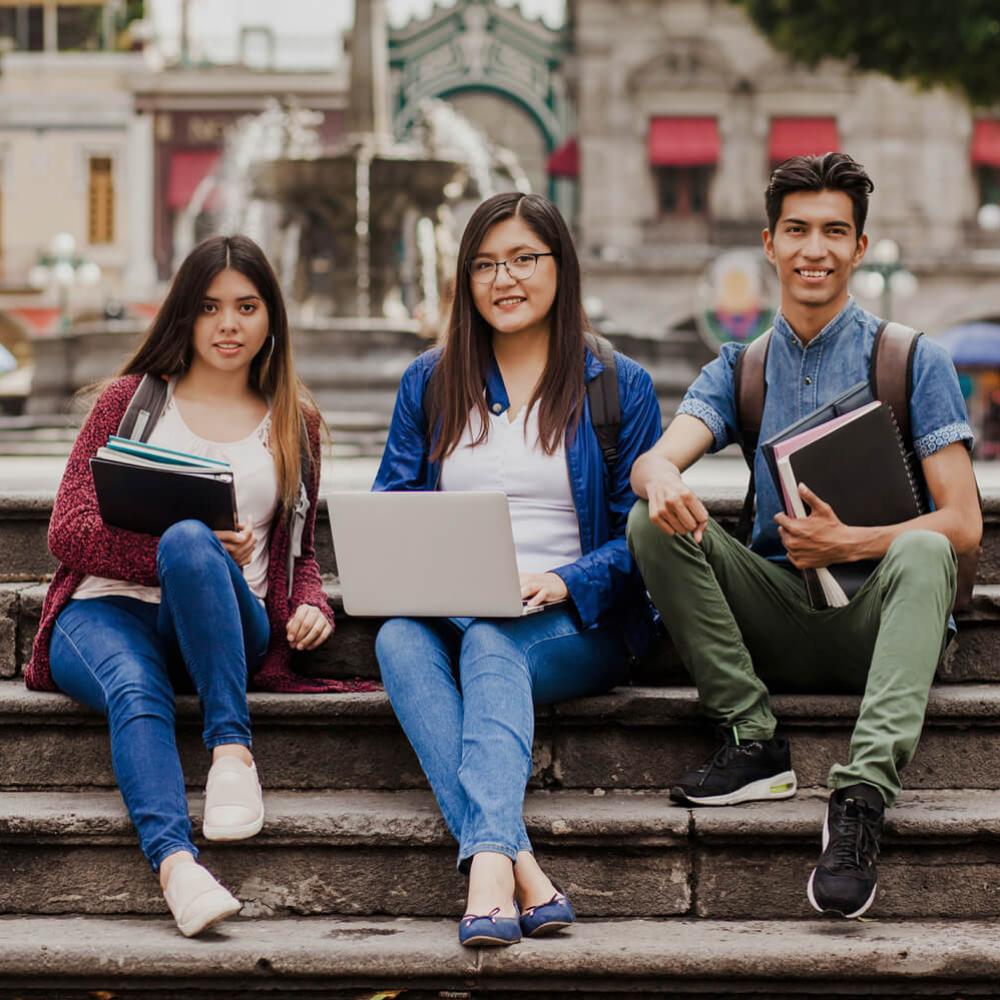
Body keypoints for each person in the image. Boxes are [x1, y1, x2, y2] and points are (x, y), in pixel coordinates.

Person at [627, 153, 982, 921]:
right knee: (647, 517)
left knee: (922, 549)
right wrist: (657, 474)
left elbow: (961, 524)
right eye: (797, 230)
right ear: (769, 242)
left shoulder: (913, 359)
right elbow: (661, 453)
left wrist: (849, 543)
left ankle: (858, 799)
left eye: (833, 231)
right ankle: (754, 742)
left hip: (881, 622)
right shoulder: (740, 367)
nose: (813, 248)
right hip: (777, 615)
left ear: (859, 248)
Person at [24, 235, 369, 937]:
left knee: (190, 542)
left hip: (221, 622)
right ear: (185, 313)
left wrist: (308, 600)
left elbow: (297, 549)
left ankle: (232, 754)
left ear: (271, 316)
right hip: (104, 612)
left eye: (246, 306)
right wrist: (183, 547)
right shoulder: (130, 402)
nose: (229, 324)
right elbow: (69, 530)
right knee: (139, 670)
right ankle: (178, 867)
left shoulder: (295, 424)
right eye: (210, 307)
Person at [373, 192, 661, 947]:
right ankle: (510, 860)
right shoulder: (431, 383)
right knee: (398, 640)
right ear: (465, 280)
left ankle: (490, 870)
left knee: (493, 639)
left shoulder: (615, 385)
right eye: (485, 264)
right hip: (452, 606)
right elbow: (392, 509)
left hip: (577, 617)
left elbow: (643, 535)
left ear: (560, 268)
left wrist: (565, 580)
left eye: (524, 259)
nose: (505, 278)